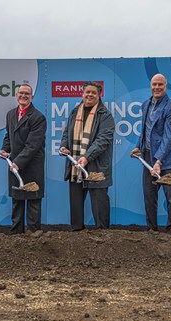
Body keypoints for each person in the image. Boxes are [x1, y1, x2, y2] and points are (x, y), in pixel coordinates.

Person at [130, 74, 171, 233]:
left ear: (166, 86)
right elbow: (145, 130)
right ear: (151, 85)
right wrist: (138, 146)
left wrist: (159, 161)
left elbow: (169, 137)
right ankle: (151, 229)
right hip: (147, 155)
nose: (157, 87)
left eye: (160, 84)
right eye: (154, 84)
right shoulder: (146, 104)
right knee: (149, 195)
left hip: (168, 159)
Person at [60, 81, 115, 231]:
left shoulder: (105, 115)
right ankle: (77, 231)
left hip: (96, 165)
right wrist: (64, 145)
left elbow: (103, 139)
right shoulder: (74, 111)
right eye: (87, 92)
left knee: (99, 202)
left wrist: (87, 157)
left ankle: (103, 233)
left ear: (99, 95)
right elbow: (67, 133)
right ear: (82, 94)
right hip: (75, 165)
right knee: (76, 202)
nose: (90, 95)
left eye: (93, 93)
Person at [0, 83, 46, 235]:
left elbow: (33, 145)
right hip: (14, 164)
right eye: (21, 93)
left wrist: (18, 162)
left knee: (33, 199)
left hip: (32, 165)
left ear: (32, 97)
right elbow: (9, 136)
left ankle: (33, 232)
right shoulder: (10, 114)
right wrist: (5, 150)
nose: (23, 96)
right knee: (17, 199)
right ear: (16, 95)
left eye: (27, 94)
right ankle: (16, 233)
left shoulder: (38, 117)